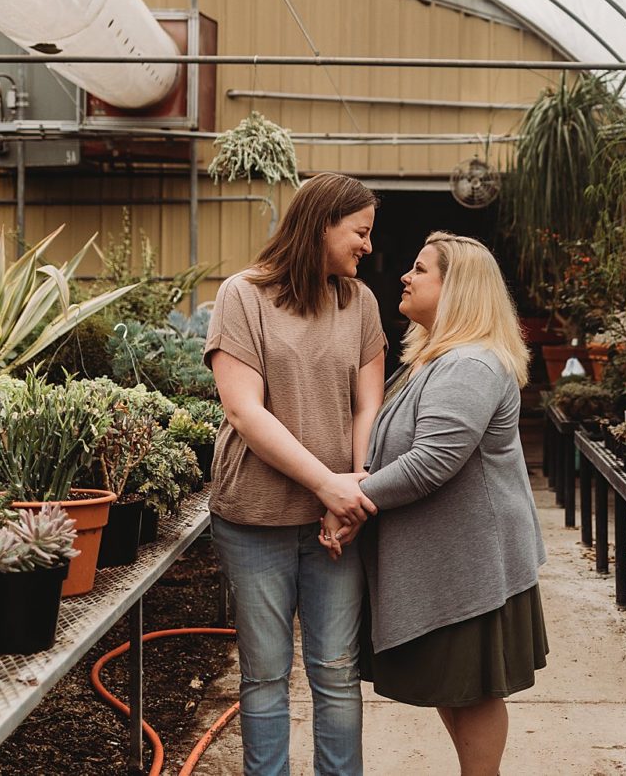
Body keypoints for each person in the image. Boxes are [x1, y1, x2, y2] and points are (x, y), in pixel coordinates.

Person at [325, 231, 548, 776]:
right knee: (458, 689)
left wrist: (349, 495)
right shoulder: (436, 360)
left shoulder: (469, 365)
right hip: (454, 566)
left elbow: (430, 464)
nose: (405, 275)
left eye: (420, 269)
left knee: (471, 694)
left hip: (472, 572)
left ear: (458, 290)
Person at [205, 172, 386, 776]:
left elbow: (368, 405)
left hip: (335, 522)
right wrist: (326, 483)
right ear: (321, 225)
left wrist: (354, 486)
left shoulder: (359, 302)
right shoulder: (243, 296)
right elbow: (243, 408)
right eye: (359, 232)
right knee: (263, 674)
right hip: (253, 517)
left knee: (336, 670)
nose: (367, 245)